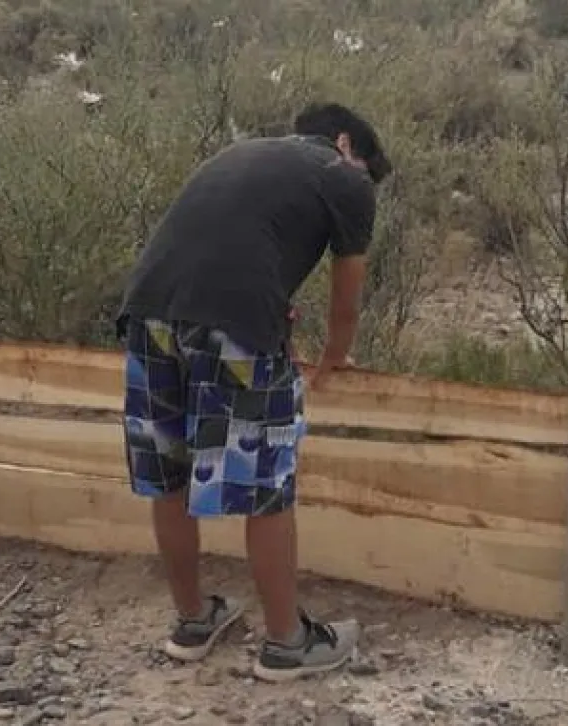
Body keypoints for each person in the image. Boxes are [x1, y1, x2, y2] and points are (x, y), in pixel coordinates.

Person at [115, 103, 391, 681]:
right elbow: (347, 298)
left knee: (168, 472)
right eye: (367, 167)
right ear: (345, 143)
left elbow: (229, 248)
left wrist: (274, 319)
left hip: (147, 313)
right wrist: (334, 358)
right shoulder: (344, 177)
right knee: (266, 481)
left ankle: (193, 621)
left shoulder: (245, 155)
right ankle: (288, 643)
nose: (366, 183)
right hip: (230, 323)